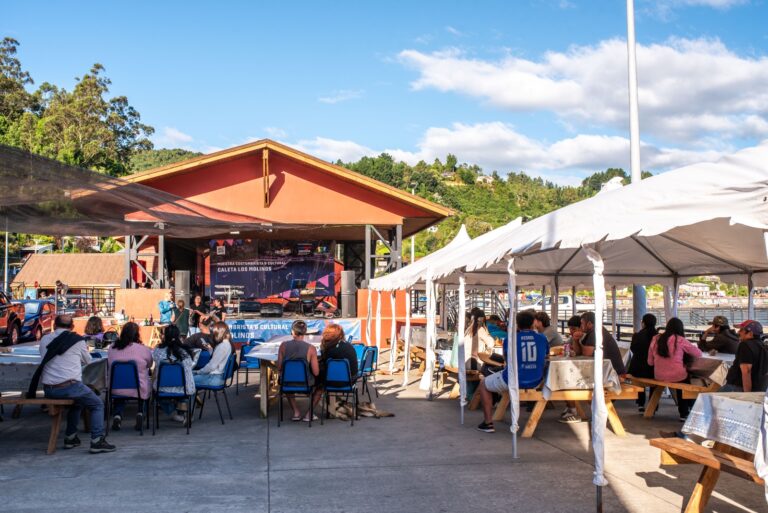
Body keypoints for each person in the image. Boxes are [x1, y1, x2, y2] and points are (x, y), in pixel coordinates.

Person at [38, 314, 115, 453]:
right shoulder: (78, 341)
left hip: (49, 389)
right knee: (97, 404)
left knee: (78, 402)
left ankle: (71, 437)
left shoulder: (44, 339)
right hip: (69, 386)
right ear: (72, 326)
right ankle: (97, 440)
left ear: (54, 325)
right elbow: (88, 361)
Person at [476, 310, 548, 433]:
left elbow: (505, 358)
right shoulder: (542, 338)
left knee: (483, 384)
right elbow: (546, 354)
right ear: (533, 324)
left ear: (518, 325)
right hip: (537, 380)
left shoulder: (510, 339)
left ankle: (488, 422)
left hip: (513, 379)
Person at [648, 317, 702, 420]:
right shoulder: (680, 340)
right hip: (677, 375)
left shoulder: (656, 338)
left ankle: (652, 409)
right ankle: (684, 413)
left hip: (658, 375)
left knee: (656, 384)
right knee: (685, 382)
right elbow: (698, 353)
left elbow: (650, 362)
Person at [107, 322, 153, 431]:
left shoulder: (112, 348)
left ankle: (117, 415)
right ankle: (141, 412)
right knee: (145, 383)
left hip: (115, 388)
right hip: (138, 389)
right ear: (137, 334)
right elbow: (150, 364)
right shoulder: (143, 349)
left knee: (121, 381)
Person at [276, 320, 320, 422]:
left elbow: (279, 367)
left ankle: (296, 412)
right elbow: (316, 372)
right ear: (305, 332)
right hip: (306, 383)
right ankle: (309, 414)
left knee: (286, 381)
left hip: (287, 383)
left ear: (292, 332)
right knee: (320, 386)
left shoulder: (283, 346)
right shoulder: (311, 348)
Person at [310, 324, 359, 414]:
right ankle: (331, 405)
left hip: (337, 381)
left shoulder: (330, 350)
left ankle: (309, 413)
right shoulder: (348, 345)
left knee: (317, 379)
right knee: (323, 375)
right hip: (351, 381)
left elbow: (325, 367)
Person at [153, 324, 196, 423]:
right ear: (178, 336)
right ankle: (186, 411)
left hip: (162, 388)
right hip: (184, 388)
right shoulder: (185, 352)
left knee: (156, 391)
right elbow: (189, 367)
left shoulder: (157, 351)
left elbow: (155, 364)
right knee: (191, 387)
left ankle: (173, 412)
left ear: (164, 336)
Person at [720, 320, 766, 392]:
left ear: (750, 333)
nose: (738, 332)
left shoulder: (745, 345)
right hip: (757, 389)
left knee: (706, 400)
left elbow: (747, 371)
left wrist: (747, 395)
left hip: (737, 387)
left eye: (741, 330)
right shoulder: (762, 346)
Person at [579, 311, 626, 376]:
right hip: (610, 371)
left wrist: (577, 340)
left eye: (582, 323)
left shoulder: (596, 332)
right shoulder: (594, 331)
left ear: (589, 324)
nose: (580, 326)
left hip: (615, 374)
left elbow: (586, 352)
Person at [628, 313, 657, 411]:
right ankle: (653, 405)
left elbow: (632, 349)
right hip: (652, 369)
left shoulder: (637, 335)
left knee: (639, 379)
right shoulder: (657, 337)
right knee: (656, 379)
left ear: (643, 323)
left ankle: (641, 404)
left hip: (636, 369)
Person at [193, 321, 233, 388]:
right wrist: (210, 350)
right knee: (191, 376)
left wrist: (198, 372)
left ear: (219, 333)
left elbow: (212, 366)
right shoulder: (227, 344)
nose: (213, 334)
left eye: (214, 333)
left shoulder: (222, 346)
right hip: (218, 377)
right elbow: (219, 359)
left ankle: (188, 398)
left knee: (187, 380)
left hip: (214, 378)